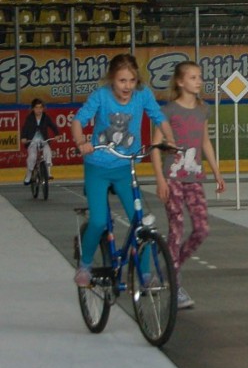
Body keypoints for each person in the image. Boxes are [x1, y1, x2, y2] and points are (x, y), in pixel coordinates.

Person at [70, 54, 174, 289]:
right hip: (98, 167)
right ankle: (85, 264)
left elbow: (159, 117)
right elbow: (79, 121)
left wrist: (170, 139)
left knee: (141, 222)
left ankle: (145, 274)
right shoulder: (101, 96)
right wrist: (81, 142)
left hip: (126, 166)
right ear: (111, 80)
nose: (127, 86)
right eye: (121, 81)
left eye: (131, 80)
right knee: (97, 221)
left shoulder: (143, 94)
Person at [154, 61, 225, 310]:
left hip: (194, 177)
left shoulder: (203, 110)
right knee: (176, 228)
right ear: (180, 82)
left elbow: (205, 142)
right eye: (193, 77)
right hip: (173, 177)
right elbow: (156, 146)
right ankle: (176, 284)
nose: (199, 81)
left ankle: (169, 269)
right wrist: (160, 179)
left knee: (201, 229)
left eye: (199, 77)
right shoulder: (168, 111)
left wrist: (216, 172)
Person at [22, 98, 59, 184]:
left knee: (48, 152)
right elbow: (25, 128)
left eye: (40, 107)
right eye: (36, 108)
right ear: (33, 109)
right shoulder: (29, 118)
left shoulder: (45, 117)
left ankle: (48, 173)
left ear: (43, 108)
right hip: (32, 141)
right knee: (32, 157)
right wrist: (24, 138)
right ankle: (29, 174)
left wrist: (57, 134)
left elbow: (53, 126)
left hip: (43, 140)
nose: (39, 110)